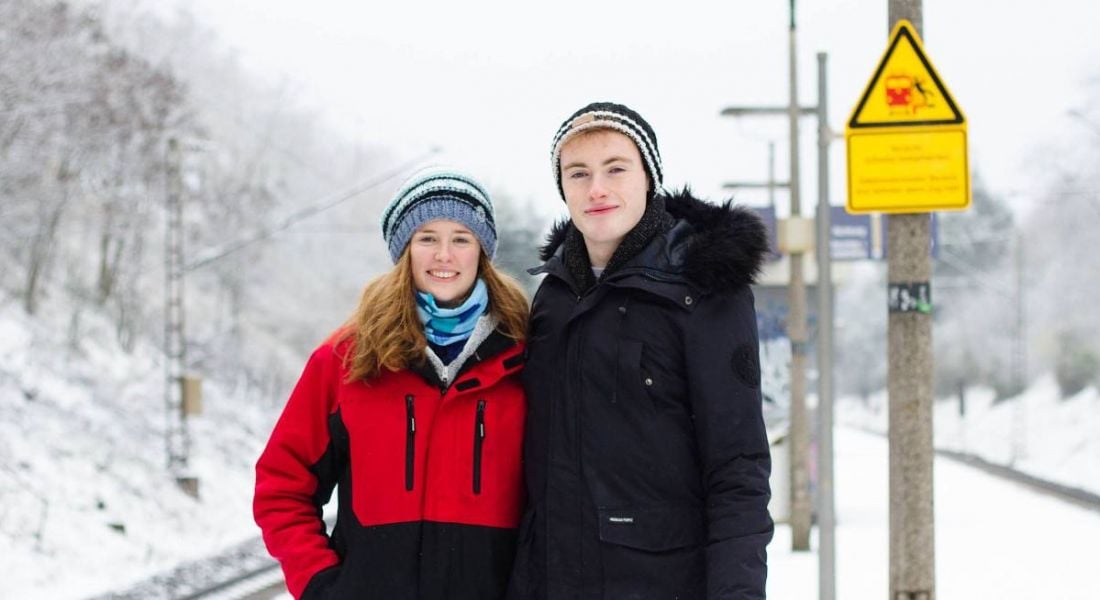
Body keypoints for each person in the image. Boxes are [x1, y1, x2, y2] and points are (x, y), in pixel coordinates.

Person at [509, 102, 773, 599]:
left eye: (615, 169)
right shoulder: (554, 297)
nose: (597, 189)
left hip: (664, 582)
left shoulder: (702, 289)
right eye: (578, 173)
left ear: (648, 176)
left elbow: (738, 466)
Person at [254, 168, 531, 600]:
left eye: (461, 238)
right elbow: (282, 484)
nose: (444, 255)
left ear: (482, 251)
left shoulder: (526, 359)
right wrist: (320, 584)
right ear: (404, 250)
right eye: (427, 238)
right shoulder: (346, 361)